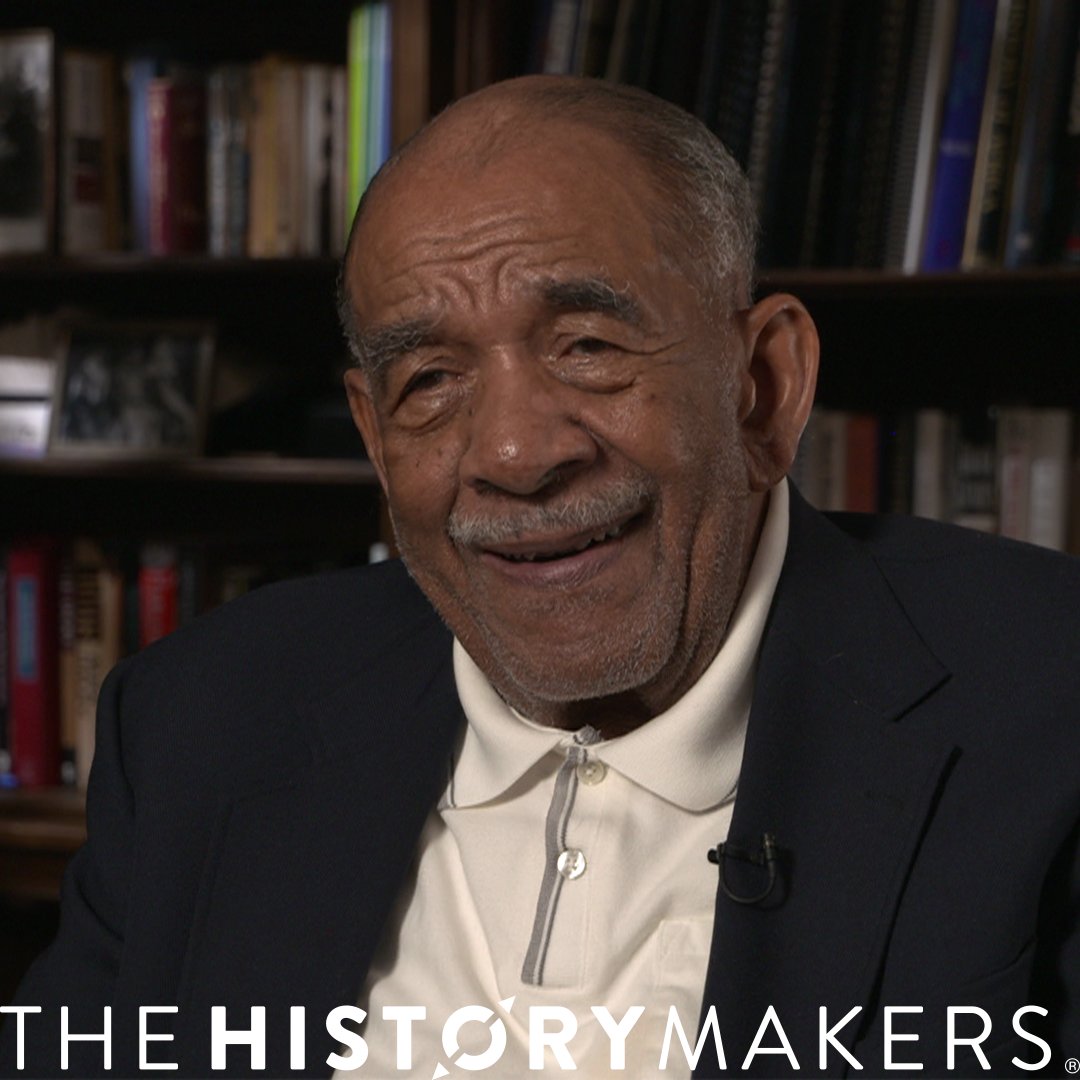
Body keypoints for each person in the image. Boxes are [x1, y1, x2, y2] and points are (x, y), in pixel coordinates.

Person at [2, 75, 1078, 1079]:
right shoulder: (196, 720)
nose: (516, 453)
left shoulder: (1051, 702)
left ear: (763, 386)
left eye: (587, 346)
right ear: (375, 438)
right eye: (431, 379)